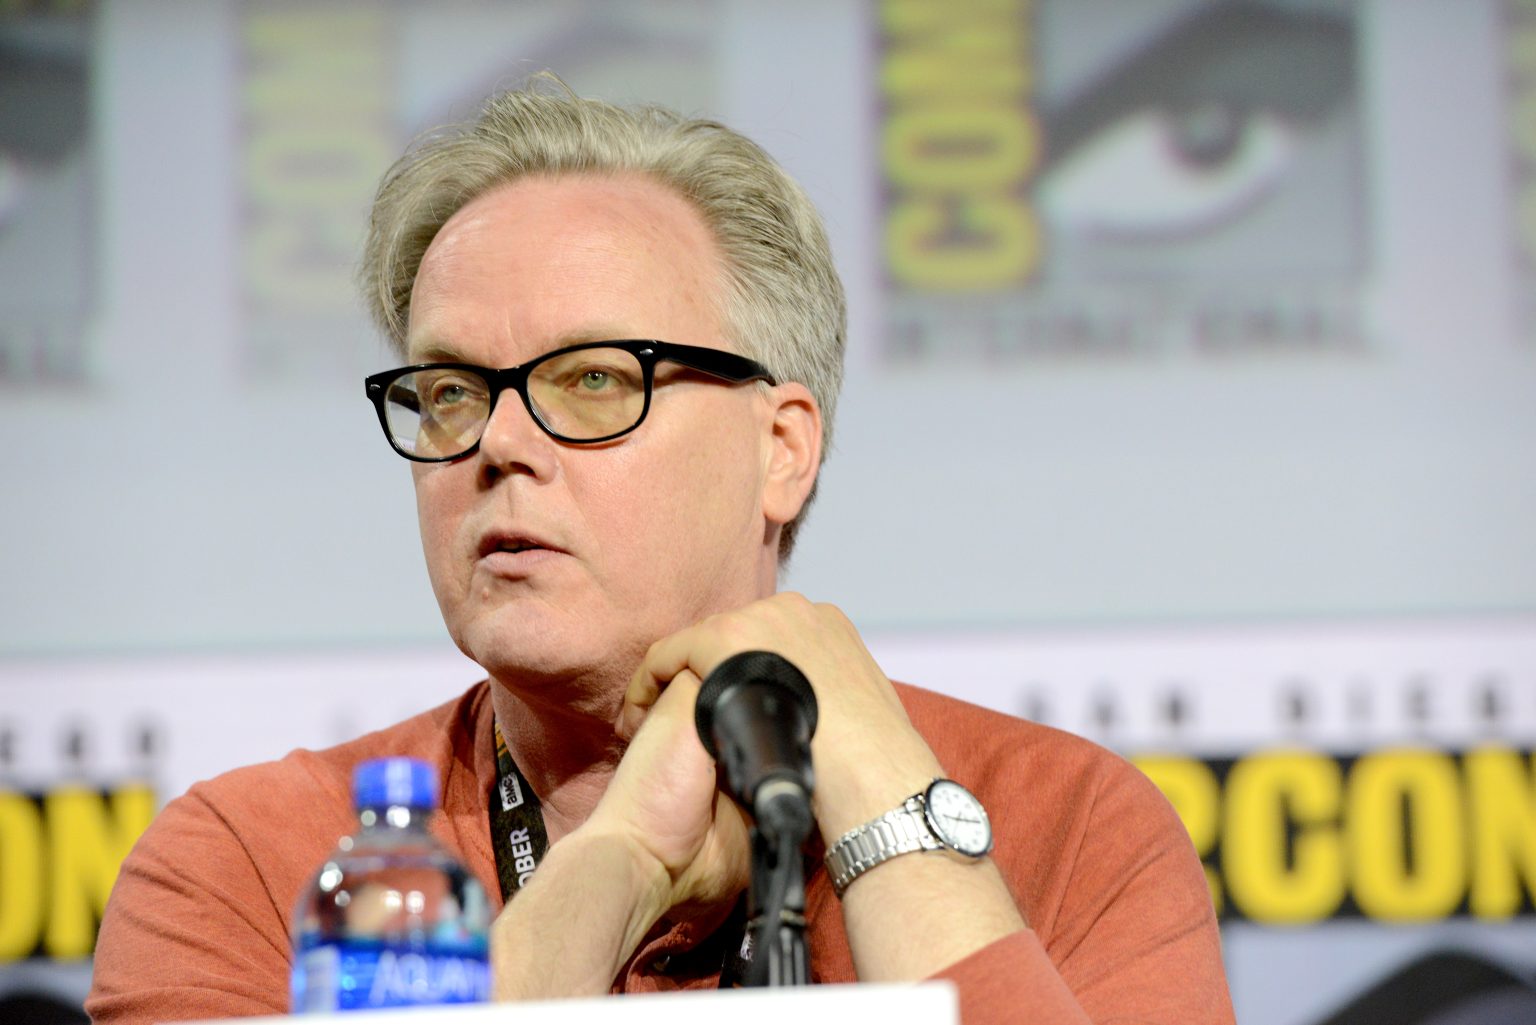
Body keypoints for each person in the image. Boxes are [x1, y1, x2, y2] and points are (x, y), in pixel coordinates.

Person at [87, 78, 1234, 1024]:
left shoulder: (1068, 828)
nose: (499, 443)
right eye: (450, 390)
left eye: (594, 378)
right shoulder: (262, 865)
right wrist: (619, 856)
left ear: (781, 448)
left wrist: (889, 799)